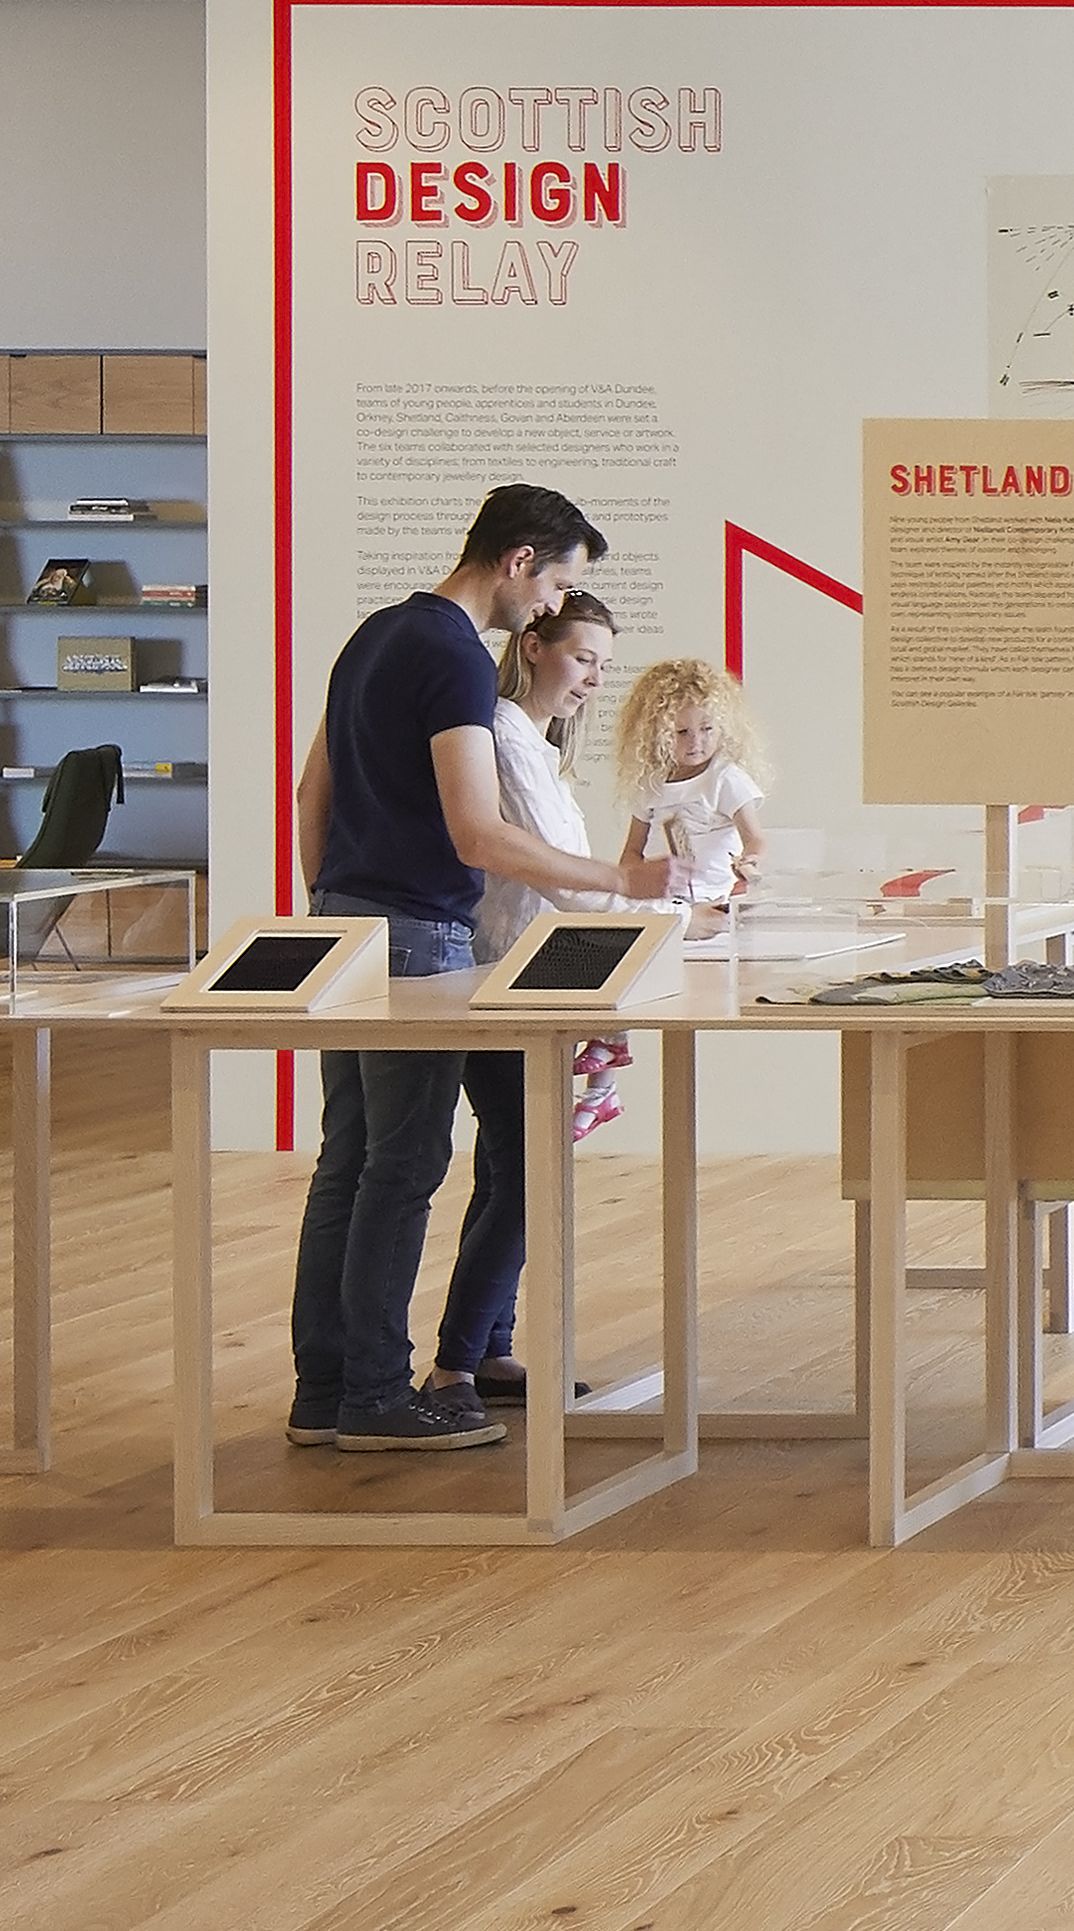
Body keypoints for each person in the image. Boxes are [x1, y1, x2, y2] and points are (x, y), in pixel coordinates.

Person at [283, 484, 619, 1456]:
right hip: (418, 933)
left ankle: (325, 1386)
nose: (553, 607)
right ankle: (381, 1394)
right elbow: (479, 831)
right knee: (405, 1161)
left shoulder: (375, 633)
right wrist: (619, 875)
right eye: (557, 583)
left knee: (346, 1158)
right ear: (518, 560)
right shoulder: (456, 656)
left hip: (343, 924)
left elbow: (313, 787)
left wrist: (334, 895)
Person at [429, 590, 618, 1406]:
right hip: (505, 979)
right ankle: (454, 1365)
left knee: (510, 1167)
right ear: (534, 647)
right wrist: (667, 905)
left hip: (534, 978)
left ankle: (489, 1352)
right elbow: (563, 882)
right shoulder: (506, 735)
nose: (593, 682)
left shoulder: (537, 746)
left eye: (603, 666)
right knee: (528, 1172)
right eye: (583, 660)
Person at [613, 652, 768, 908]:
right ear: (658, 734)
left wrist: (750, 860)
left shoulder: (724, 778)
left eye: (706, 729)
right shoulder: (650, 783)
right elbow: (632, 851)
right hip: (661, 903)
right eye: (681, 732)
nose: (695, 742)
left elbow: (755, 838)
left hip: (715, 900)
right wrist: (630, 881)